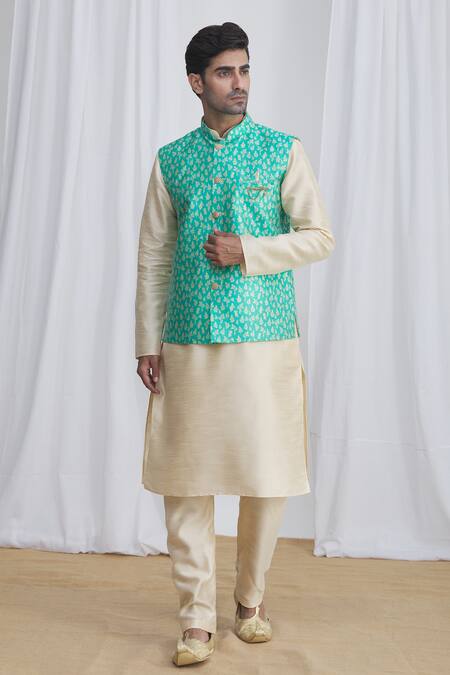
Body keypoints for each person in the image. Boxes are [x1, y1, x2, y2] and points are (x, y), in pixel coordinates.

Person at [134, 21, 335, 667]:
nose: (239, 82)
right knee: (186, 480)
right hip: (188, 338)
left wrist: (248, 249)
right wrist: (147, 340)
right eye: (225, 72)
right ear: (197, 83)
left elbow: (319, 236)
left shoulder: (281, 151)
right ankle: (196, 619)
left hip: (265, 339)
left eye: (244, 70)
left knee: (265, 474)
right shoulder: (172, 160)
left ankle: (250, 601)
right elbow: (154, 254)